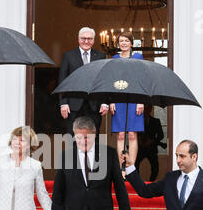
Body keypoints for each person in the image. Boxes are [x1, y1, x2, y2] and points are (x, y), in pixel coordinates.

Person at [58, 27, 108, 136]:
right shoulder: (68, 56)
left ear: (94, 40)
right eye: (83, 38)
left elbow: (103, 80)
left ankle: (92, 154)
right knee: (73, 136)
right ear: (78, 39)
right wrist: (63, 103)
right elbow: (63, 80)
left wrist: (104, 102)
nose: (86, 41)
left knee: (94, 137)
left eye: (89, 39)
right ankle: (75, 154)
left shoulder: (100, 56)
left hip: (94, 104)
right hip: (73, 104)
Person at [110, 31, 144, 170]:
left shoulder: (138, 57)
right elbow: (111, 81)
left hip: (135, 98)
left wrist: (141, 101)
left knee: (131, 134)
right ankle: (121, 168)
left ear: (131, 43)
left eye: (126, 41)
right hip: (119, 98)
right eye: (121, 41)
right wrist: (111, 101)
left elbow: (142, 80)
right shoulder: (114, 58)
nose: (123, 43)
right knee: (120, 135)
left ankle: (131, 167)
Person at [135, 105, 167, 181]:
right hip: (140, 148)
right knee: (135, 166)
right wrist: (137, 139)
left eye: (148, 108)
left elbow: (161, 135)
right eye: (145, 108)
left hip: (151, 148)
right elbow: (131, 133)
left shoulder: (156, 121)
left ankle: (151, 182)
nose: (146, 110)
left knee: (155, 168)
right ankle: (138, 182)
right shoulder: (137, 121)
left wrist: (152, 141)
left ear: (150, 110)